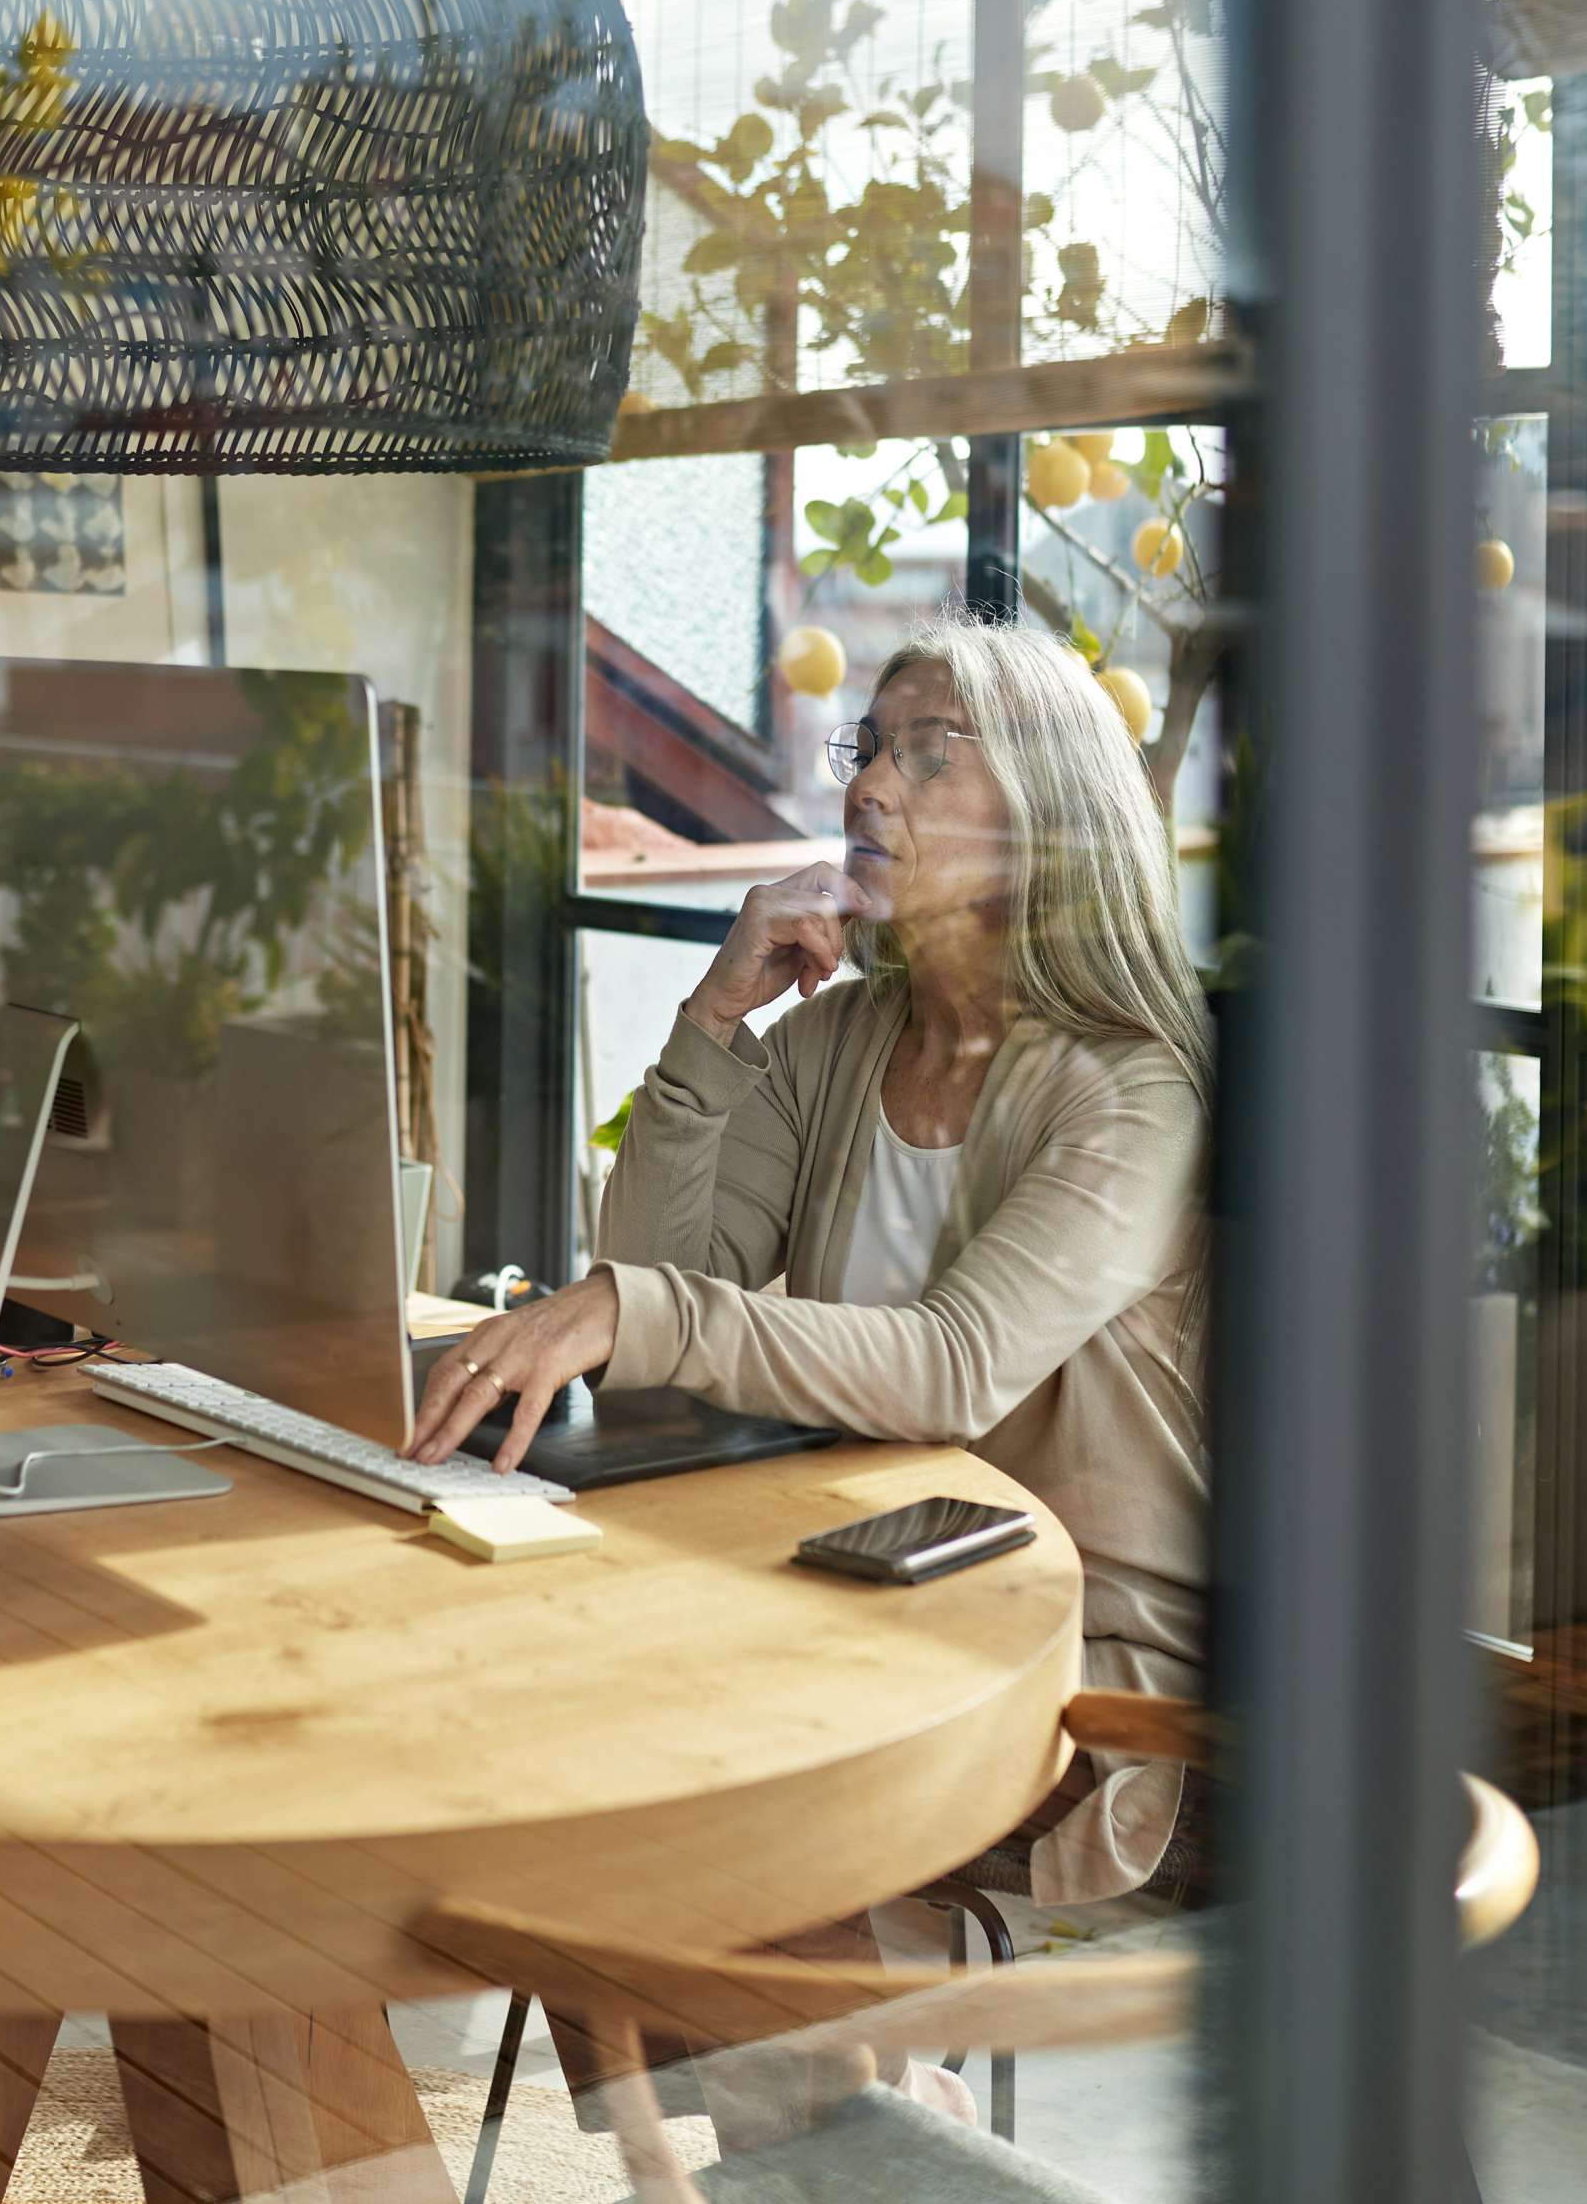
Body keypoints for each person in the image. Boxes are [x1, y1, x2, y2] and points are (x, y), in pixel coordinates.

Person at [405, 611, 1211, 1911]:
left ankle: (839, 2078)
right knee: (538, 1710)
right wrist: (714, 1023)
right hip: (863, 1580)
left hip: (1072, 1661)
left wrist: (635, 1307)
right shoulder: (841, 1040)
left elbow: (951, 1370)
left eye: (929, 752)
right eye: (869, 746)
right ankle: (828, 2081)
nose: (867, 785)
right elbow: (670, 1270)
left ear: (1049, 814)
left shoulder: (1131, 1092)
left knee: (639, 1784)